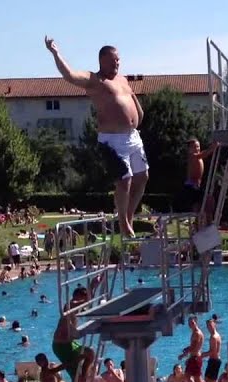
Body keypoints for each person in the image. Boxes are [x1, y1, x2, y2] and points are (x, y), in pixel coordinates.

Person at [46, 38, 149, 238]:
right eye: (112, 61)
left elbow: (131, 99)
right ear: (102, 61)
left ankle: (128, 216)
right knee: (124, 179)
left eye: (118, 61)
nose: (116, 64)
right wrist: (55, 52)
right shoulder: (95, 80)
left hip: (133, 137)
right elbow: (69, 75)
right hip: (112, 140)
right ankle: (122, 222)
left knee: (143, 177)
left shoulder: (123, 80)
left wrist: (138, 114)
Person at [179, 316, 206, 382]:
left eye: (193, 322)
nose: (191, 324)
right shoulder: (194, 333)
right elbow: (192, 346)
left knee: (197, 378)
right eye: (190, 323)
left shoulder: (197, 333)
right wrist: (187, 350)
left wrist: (184, 354)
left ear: (196, 322)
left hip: (196, 358)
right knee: (187, 376)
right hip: (192, 357)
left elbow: (194, 347)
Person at [203, 317, 225, 382]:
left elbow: (213, 351)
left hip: (214, 360)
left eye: (211, 325)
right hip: (214, 360)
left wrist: (202, 355)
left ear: (214, 325)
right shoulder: (217, 335)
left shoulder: (213, 337)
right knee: (209, 379)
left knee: (211, 380)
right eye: (208, 326)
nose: (209, 327)